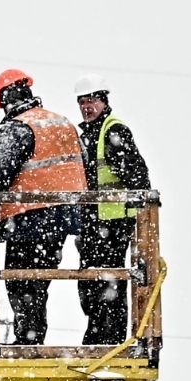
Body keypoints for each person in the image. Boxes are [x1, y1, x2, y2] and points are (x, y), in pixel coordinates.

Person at [0, 69, 86, 346]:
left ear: (6, 98)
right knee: (38, 282)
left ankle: (28, 341)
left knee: (20, 282)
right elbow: (83, 166)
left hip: (30, 217)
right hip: (65, 218)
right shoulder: (62, 122)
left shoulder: (19, 126)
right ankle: (31, 338)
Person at [72, 74, 151, 346]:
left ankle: (110, 339)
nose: (86, 106)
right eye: (82, 101)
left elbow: (138, 176)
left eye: (91, 100)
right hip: (94, 223)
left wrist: (136, 208)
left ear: (104, 101)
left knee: (110, 283)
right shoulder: (88, 135)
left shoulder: (113, 131)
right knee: (89, 282)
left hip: (113, 221)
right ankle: (97, 334)